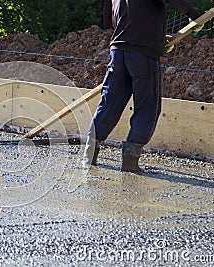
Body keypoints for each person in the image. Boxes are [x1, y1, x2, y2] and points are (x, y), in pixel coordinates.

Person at [83, 0, 200, 172]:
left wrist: (158, 39)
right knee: (147, 107)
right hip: (143, 54)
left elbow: (130, 18)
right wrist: (194, 15)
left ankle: (89, 155)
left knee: (110, 104)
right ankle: (130, 162)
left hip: (118, 51)